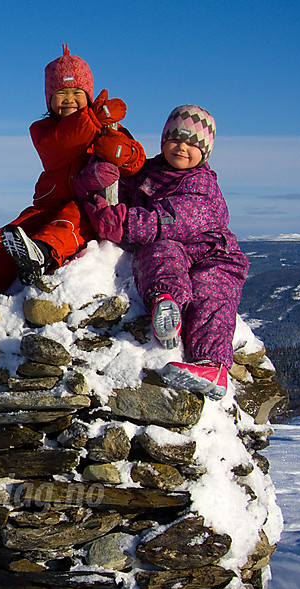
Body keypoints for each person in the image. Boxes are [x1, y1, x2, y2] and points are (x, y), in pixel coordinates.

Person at [0, 45, 145, 304]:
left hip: (90, 207)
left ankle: (42, 254)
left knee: (70, 221)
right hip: (49, 202)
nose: (69, 99)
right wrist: (94, 118)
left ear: (88, 96)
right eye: (61, 93)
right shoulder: (44, 130)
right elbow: (63, 144)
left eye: (77, 92)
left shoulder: (107, 126)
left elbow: (137, 162)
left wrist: (122, 152)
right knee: (14, 230)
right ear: (49, 99)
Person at [76, 105, 248, 400]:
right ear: (163, 140)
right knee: (157, 253)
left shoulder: (202, 185)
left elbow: (166, 220)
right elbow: (122, 187)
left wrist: (121, 222)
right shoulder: (150, 172)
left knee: (212, 295)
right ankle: (165, 304)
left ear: (205, 152)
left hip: (214, 253)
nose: (182, 147)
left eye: (193, 143)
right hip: (172, 246)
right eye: (176, 139)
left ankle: (212, 366)